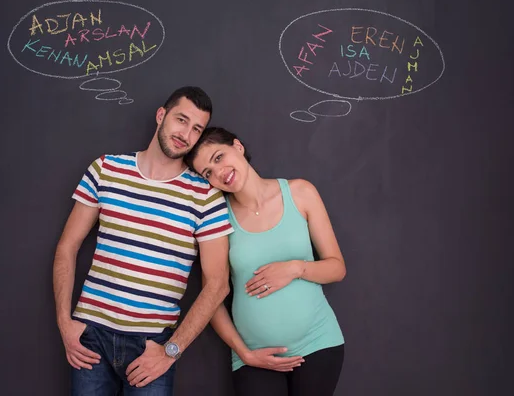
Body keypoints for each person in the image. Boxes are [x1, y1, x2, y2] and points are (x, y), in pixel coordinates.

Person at [52, 87, 234, 396]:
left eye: (196, 129)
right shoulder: (106, 169)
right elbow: (67, 247)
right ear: (161, 115)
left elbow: (218, 283)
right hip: (91, 337)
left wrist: (171, 350)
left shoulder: (205, 196)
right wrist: (65, 324)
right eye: (181, 120)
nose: (185, 134)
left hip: (152, 346)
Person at [183, 127, 346, 396]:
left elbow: (337, 268)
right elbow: (211, 298)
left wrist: (296, 268)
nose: (218, 172)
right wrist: (244, 353)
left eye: (218, 157)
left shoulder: (300, 192)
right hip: (255, 357)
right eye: (207, 173)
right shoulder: (216, 218)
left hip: (318, 344)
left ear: (238, 146)